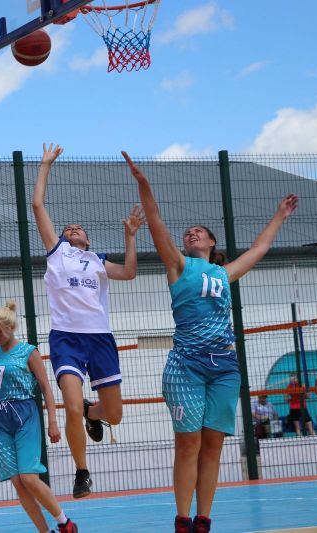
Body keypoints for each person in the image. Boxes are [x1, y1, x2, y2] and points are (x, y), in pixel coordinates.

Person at [123, 151, 298, 533]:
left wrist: (280, 216)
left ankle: (203, 518)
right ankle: (182, 518)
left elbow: (259, 249)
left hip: (224, 367)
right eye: (188, 232)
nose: (192, 233)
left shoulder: (224, 272)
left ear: (212, 241)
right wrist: (143, 183)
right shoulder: (178, 265)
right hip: (186, 366)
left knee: (214, 445)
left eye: (199, 231)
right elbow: (156, 222)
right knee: (188, 443)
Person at [32, 143, 145, 498]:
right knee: (71, 405)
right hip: (66, 338)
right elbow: (37, 206)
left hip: (99, 338)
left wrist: (130, 237)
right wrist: (46, 165)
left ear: (88, 239)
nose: (73, 229)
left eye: (78, 228)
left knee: (115, 414)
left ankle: (93, 415)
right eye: (68, 228)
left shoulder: (98, 260)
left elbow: (129, 272)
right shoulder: (57, 253)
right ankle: (82, 472)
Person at [0, 301, 77, 533]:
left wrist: (52, 421)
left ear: (10, 328)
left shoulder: (29, 352)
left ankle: (64, 522)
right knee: (18, 483)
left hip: (25, 415)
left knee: (29, 478)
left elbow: (46, 388)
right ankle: (44, 531)